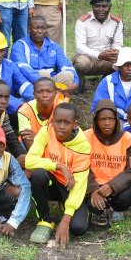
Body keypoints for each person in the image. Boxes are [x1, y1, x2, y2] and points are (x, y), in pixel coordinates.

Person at [25, 104, 91, 246]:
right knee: (38, 175)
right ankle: (45, 221)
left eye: (66, 123)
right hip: (51, 182)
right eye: (57, 121)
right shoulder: (45, 132)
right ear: (52, 121)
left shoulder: (83, 145)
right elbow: (29, 161)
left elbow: (79, 185)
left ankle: (67, 205)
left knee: (78, 228)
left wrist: (66, 219)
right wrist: (59, 166)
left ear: (74, 125)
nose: (61, 126)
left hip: (70, 187)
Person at [84, 99, 131, 227]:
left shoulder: (127, 139)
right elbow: (80, 165)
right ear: (96, 121)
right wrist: (93, 189)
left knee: (128, 196)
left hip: (117, 187)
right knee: (93, 204)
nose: (107, 123)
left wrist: (112, 186)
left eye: (111, 119)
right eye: (102, 119)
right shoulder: (86, 136)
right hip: (94, 185)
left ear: (116, 120)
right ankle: (98, 211)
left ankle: (116, 209)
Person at [11, 15, 79, 93]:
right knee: (43, 74)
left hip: (51, 82)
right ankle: (53, 95)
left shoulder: (54, 46)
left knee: (69, 75)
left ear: (46, 29)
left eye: (43, 28)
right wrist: (46, 83)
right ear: (29, 28)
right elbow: (24, 69)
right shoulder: (20, 45)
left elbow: (67, 66)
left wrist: (76, 83)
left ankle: (55, 97)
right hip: (31, 82)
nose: (40, 31)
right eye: (36, 28)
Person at [73, 0, 124, 86]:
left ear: (110, 6)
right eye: (97, 6)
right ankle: (79, 81)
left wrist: (115, 52)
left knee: (123, 60)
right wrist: (99, 55)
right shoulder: (82, 21)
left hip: (107, 58)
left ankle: (106, 80)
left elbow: (118, 44)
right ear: (92, 6)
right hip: (87, 57)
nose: (100, 9)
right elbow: (80, 47)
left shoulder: (117, 22)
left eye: (104, 6)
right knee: (81, 63)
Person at [17, 77, 66, 150]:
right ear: (34, 94)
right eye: (40, 92)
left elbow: (65, 138)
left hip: (52, 147)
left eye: (49, 91)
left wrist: (38, 137)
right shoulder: (24, 110)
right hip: (32, 148)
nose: (45, 95)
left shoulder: (63, 108)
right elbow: (29, 145)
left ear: (56, 93)